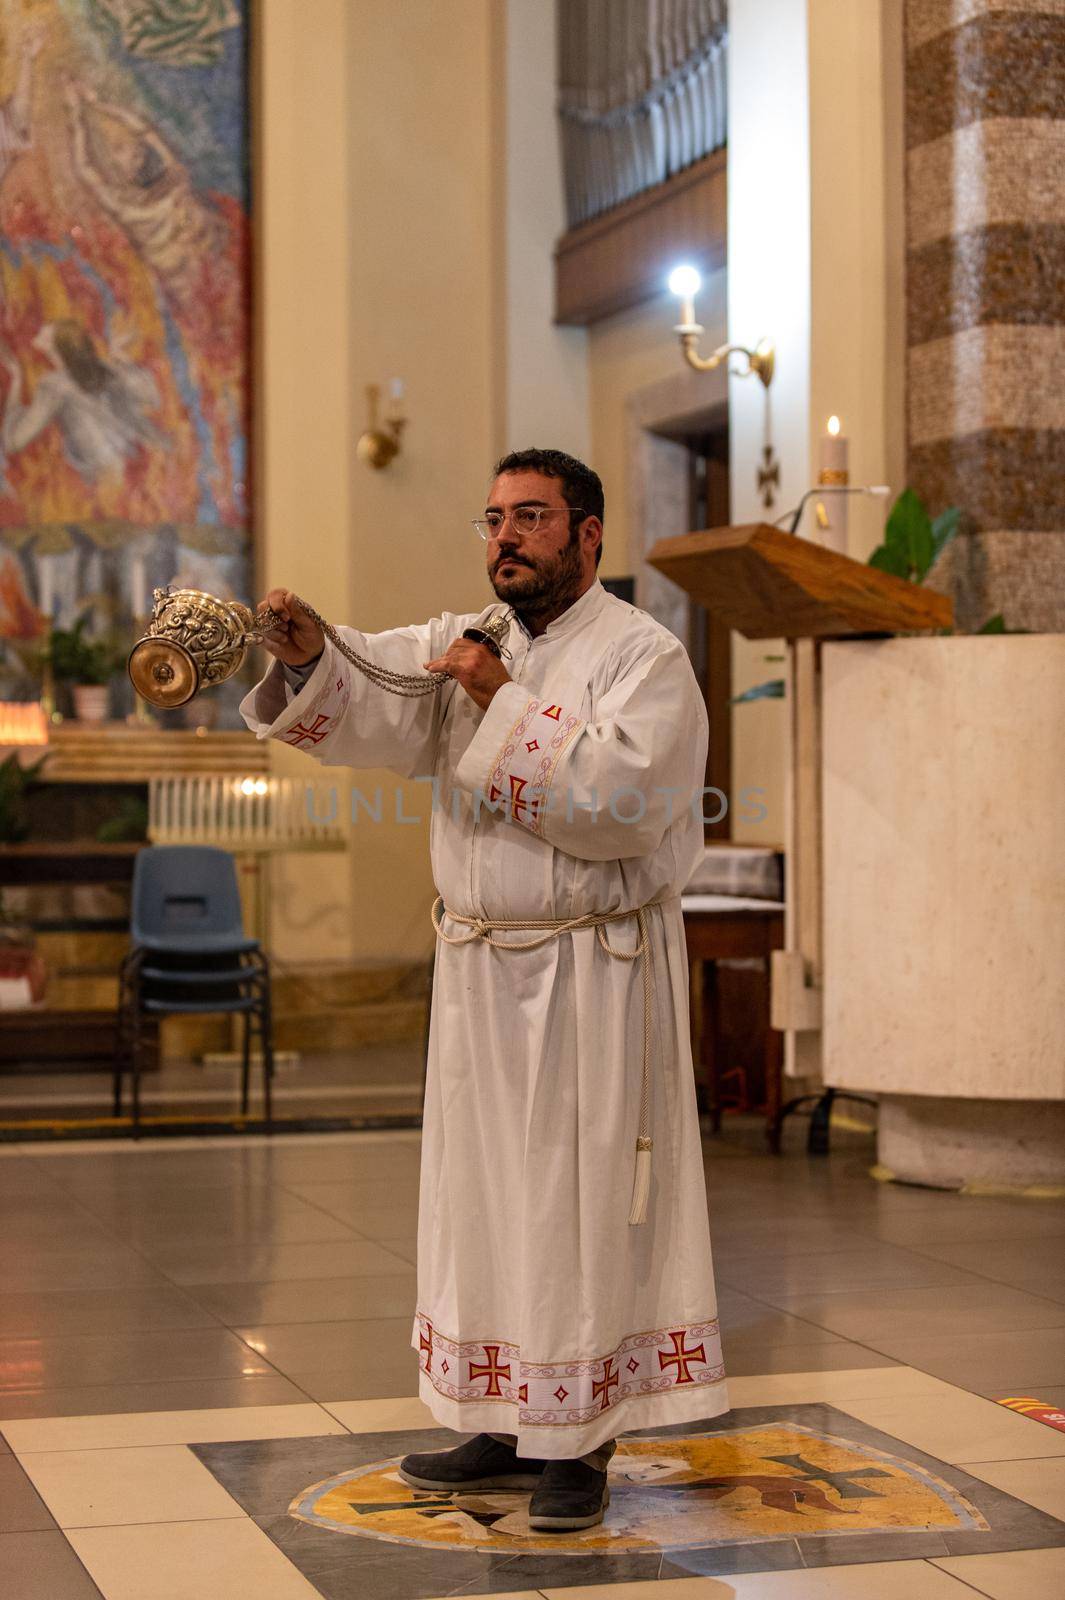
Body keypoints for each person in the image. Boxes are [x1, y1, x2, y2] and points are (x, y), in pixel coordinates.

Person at [242, 447, 727, 1532]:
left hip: (591, 975)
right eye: (495, 517)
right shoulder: (473, 639)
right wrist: (315, 648)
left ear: (589, 534)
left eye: (533, 517)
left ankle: (583, 1440)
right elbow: (375, 683)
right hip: (479, 971)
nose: (505, 536)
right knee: (488, 1198)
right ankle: (505, 1418)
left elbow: (620, 808)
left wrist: (500, 702)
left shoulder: (645, 658)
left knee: (580, 1199)